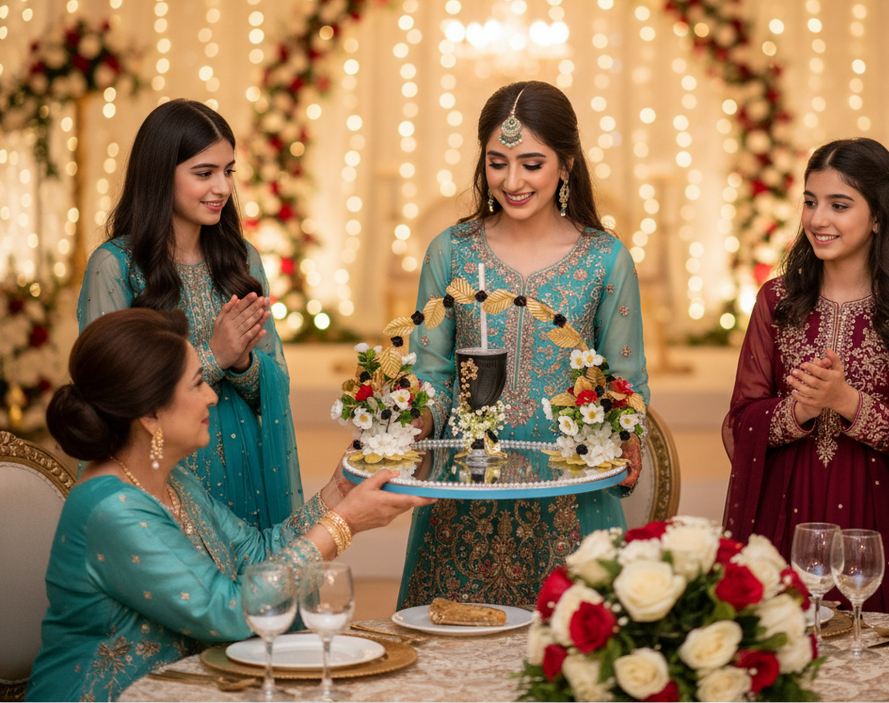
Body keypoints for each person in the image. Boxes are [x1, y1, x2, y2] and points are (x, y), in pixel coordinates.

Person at [26, 308, 432, 703]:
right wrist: (343, 525)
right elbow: (231, 612)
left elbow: (256, 557)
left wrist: (338, 494)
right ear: (150, 413)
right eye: (198, 383)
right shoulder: (109, 508)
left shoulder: (173, 480)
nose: (212, 398)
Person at [397, 80, 649, 609]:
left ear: (567, 164)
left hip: (570, 501)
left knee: (570, 673)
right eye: (497, 162)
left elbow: (625, 383)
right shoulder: (450, 252)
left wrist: (624, 429)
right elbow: (433, 374)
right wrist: (406, 422)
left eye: (532, 164)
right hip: (466, 493)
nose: (512, 180)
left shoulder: (606, 260)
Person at [722, 137, 889, 618]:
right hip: (785, 512)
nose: (818, 219)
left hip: (875, 525)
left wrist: (848, 401)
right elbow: (740, 420)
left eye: (839, 204)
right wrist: (801, 409)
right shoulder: (778, 300)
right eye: (810, 202)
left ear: (878, 216)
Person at [77, 99, 300, 530]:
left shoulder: (242, 261)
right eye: (204, 173)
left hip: (244, 468)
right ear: (161, 174)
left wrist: (244, 363)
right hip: (161, 476)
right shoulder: (115, 267)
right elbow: (109, 394)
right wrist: (213, 355)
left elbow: (277, 382)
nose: (222, 188)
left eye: (228, 171)